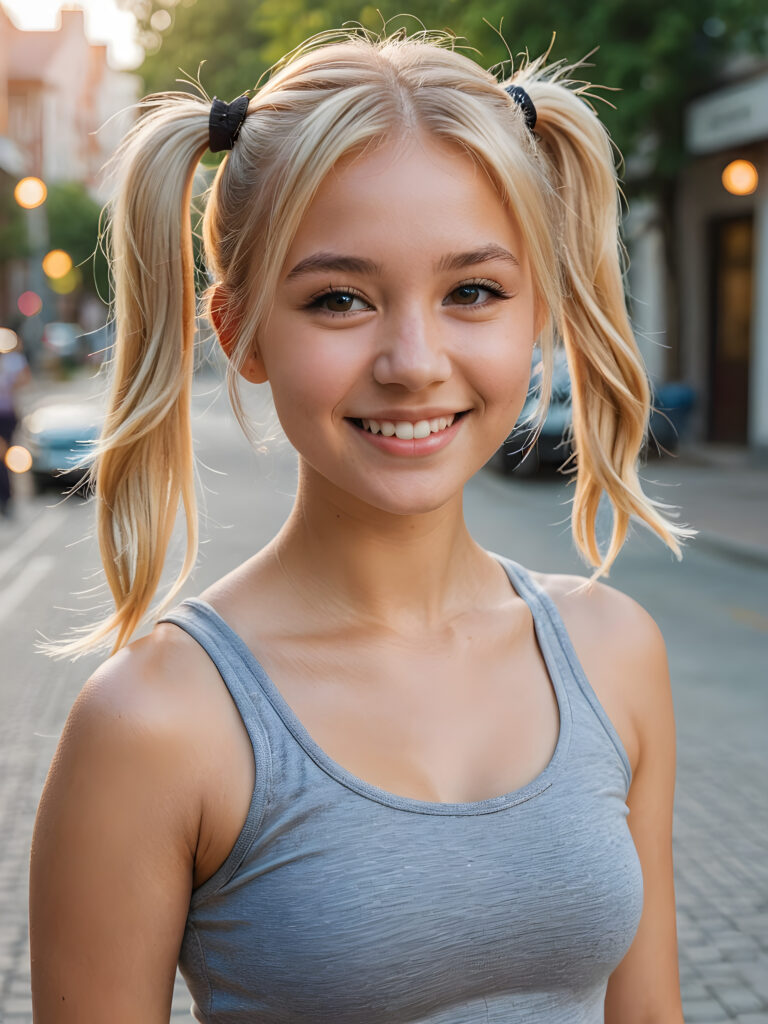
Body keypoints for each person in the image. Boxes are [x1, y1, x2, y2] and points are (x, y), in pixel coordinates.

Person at [29, 27, 691, 1023]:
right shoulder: (154, 724)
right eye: (340, 300)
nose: (414, 361)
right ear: (240, 332)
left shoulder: (615, 654)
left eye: (473, 291)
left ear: (538, 308)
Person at [0, 336, 31, 517]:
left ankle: (6, 497)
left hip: (7, 414)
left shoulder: (12, 361)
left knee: (5, 456)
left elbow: (25, 379)